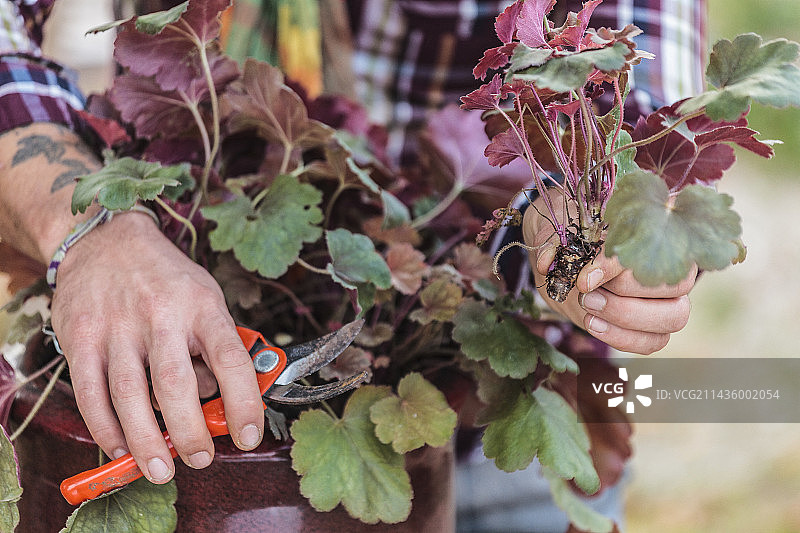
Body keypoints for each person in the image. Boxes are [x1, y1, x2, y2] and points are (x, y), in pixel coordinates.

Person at [0, 0, 698, 512]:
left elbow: (631, 96)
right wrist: (93, 229)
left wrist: (601, 214)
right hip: (185, 458)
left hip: (510, 416)